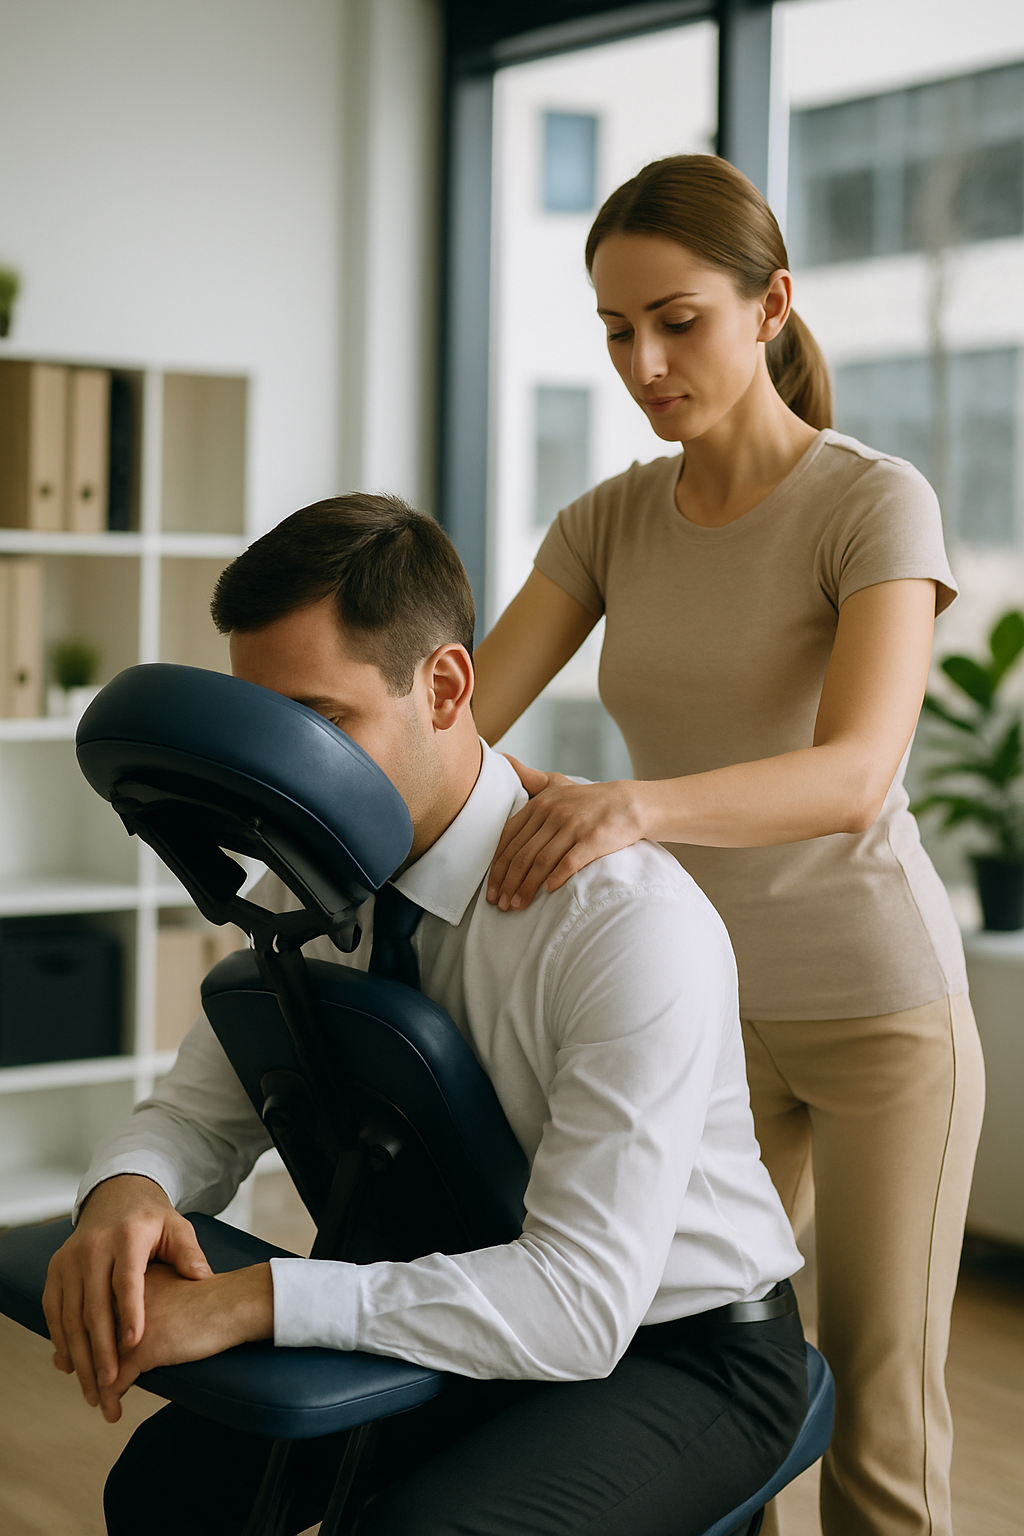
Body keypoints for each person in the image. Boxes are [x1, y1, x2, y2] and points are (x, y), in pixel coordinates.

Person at [44, 495, 807, 1536]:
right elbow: (196, 1111)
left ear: (445, 686)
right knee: (165, 1493)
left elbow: (580, 1305)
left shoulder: (623, 922)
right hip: (467, 1294)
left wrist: (255, 1299)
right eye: (262, 728)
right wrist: (124, 1194)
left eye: (319, 723)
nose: (278, 771)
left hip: (679, 1347)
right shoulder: (298, 897)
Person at [470, 155, 985, 1536]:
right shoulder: (609, 523)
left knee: (880, 1418)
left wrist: (631, 806)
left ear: (771, 307)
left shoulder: (875, 501)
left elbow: (857, 772)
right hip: (700, 1013)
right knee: (714, 1393)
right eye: (616, 330)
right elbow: (465, 722)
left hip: (881, 1014)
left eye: (677, 319)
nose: (645, 360)